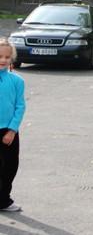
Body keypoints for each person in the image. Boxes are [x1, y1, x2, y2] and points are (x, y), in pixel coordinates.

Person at [0, 38, 26, 212]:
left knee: (10, 166)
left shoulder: (17, 81)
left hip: (8, 131)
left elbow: (20, 106)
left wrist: (12, 130)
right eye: (0, 56)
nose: (3, 60)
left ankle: (3, 200)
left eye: (7, 57)